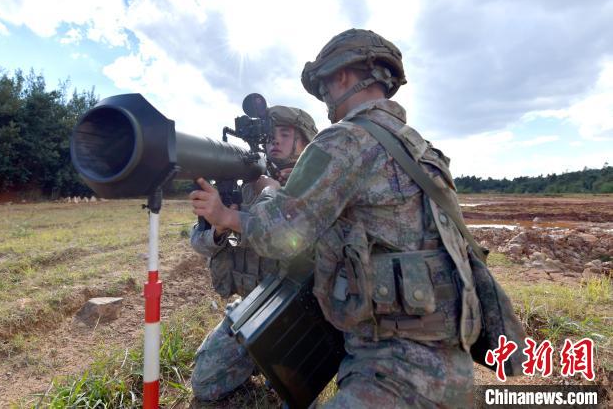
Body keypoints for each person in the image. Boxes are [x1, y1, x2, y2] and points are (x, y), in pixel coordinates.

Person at [190, 29, 482, 408]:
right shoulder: (421, 149)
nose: (326, 99)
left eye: (325, 86)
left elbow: (282, 236)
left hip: (390, 355)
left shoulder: (341, 143)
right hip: (439, 336)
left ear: (341, 75)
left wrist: (240, 211)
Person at [189, 104, 318, 401]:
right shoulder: (245, 186)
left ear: (306, 143)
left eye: (285, 135)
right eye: (272, 135)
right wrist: (219, 229)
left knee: (295, 392)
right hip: (252, 307)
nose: (275, 141)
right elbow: (198, 242)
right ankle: (256, 358)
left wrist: (267, 196)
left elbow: (292, 240)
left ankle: (270, 359)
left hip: (297, 311)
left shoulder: (313, 188)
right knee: (205, 384)